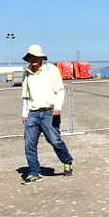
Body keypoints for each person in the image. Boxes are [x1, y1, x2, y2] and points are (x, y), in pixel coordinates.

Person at [21, 44, 74, 183]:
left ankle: (67, 160)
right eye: (31, 57)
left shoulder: (52, 70)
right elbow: (26, 96)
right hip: (32, 113)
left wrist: (58, 108)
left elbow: (60, 90)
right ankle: (34, 172)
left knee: (54, 140)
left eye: (36, 57)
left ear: (41, 58)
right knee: (29, 144)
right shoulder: (26, 73)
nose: (33, 60)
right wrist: (24, 113)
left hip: (49, 112)